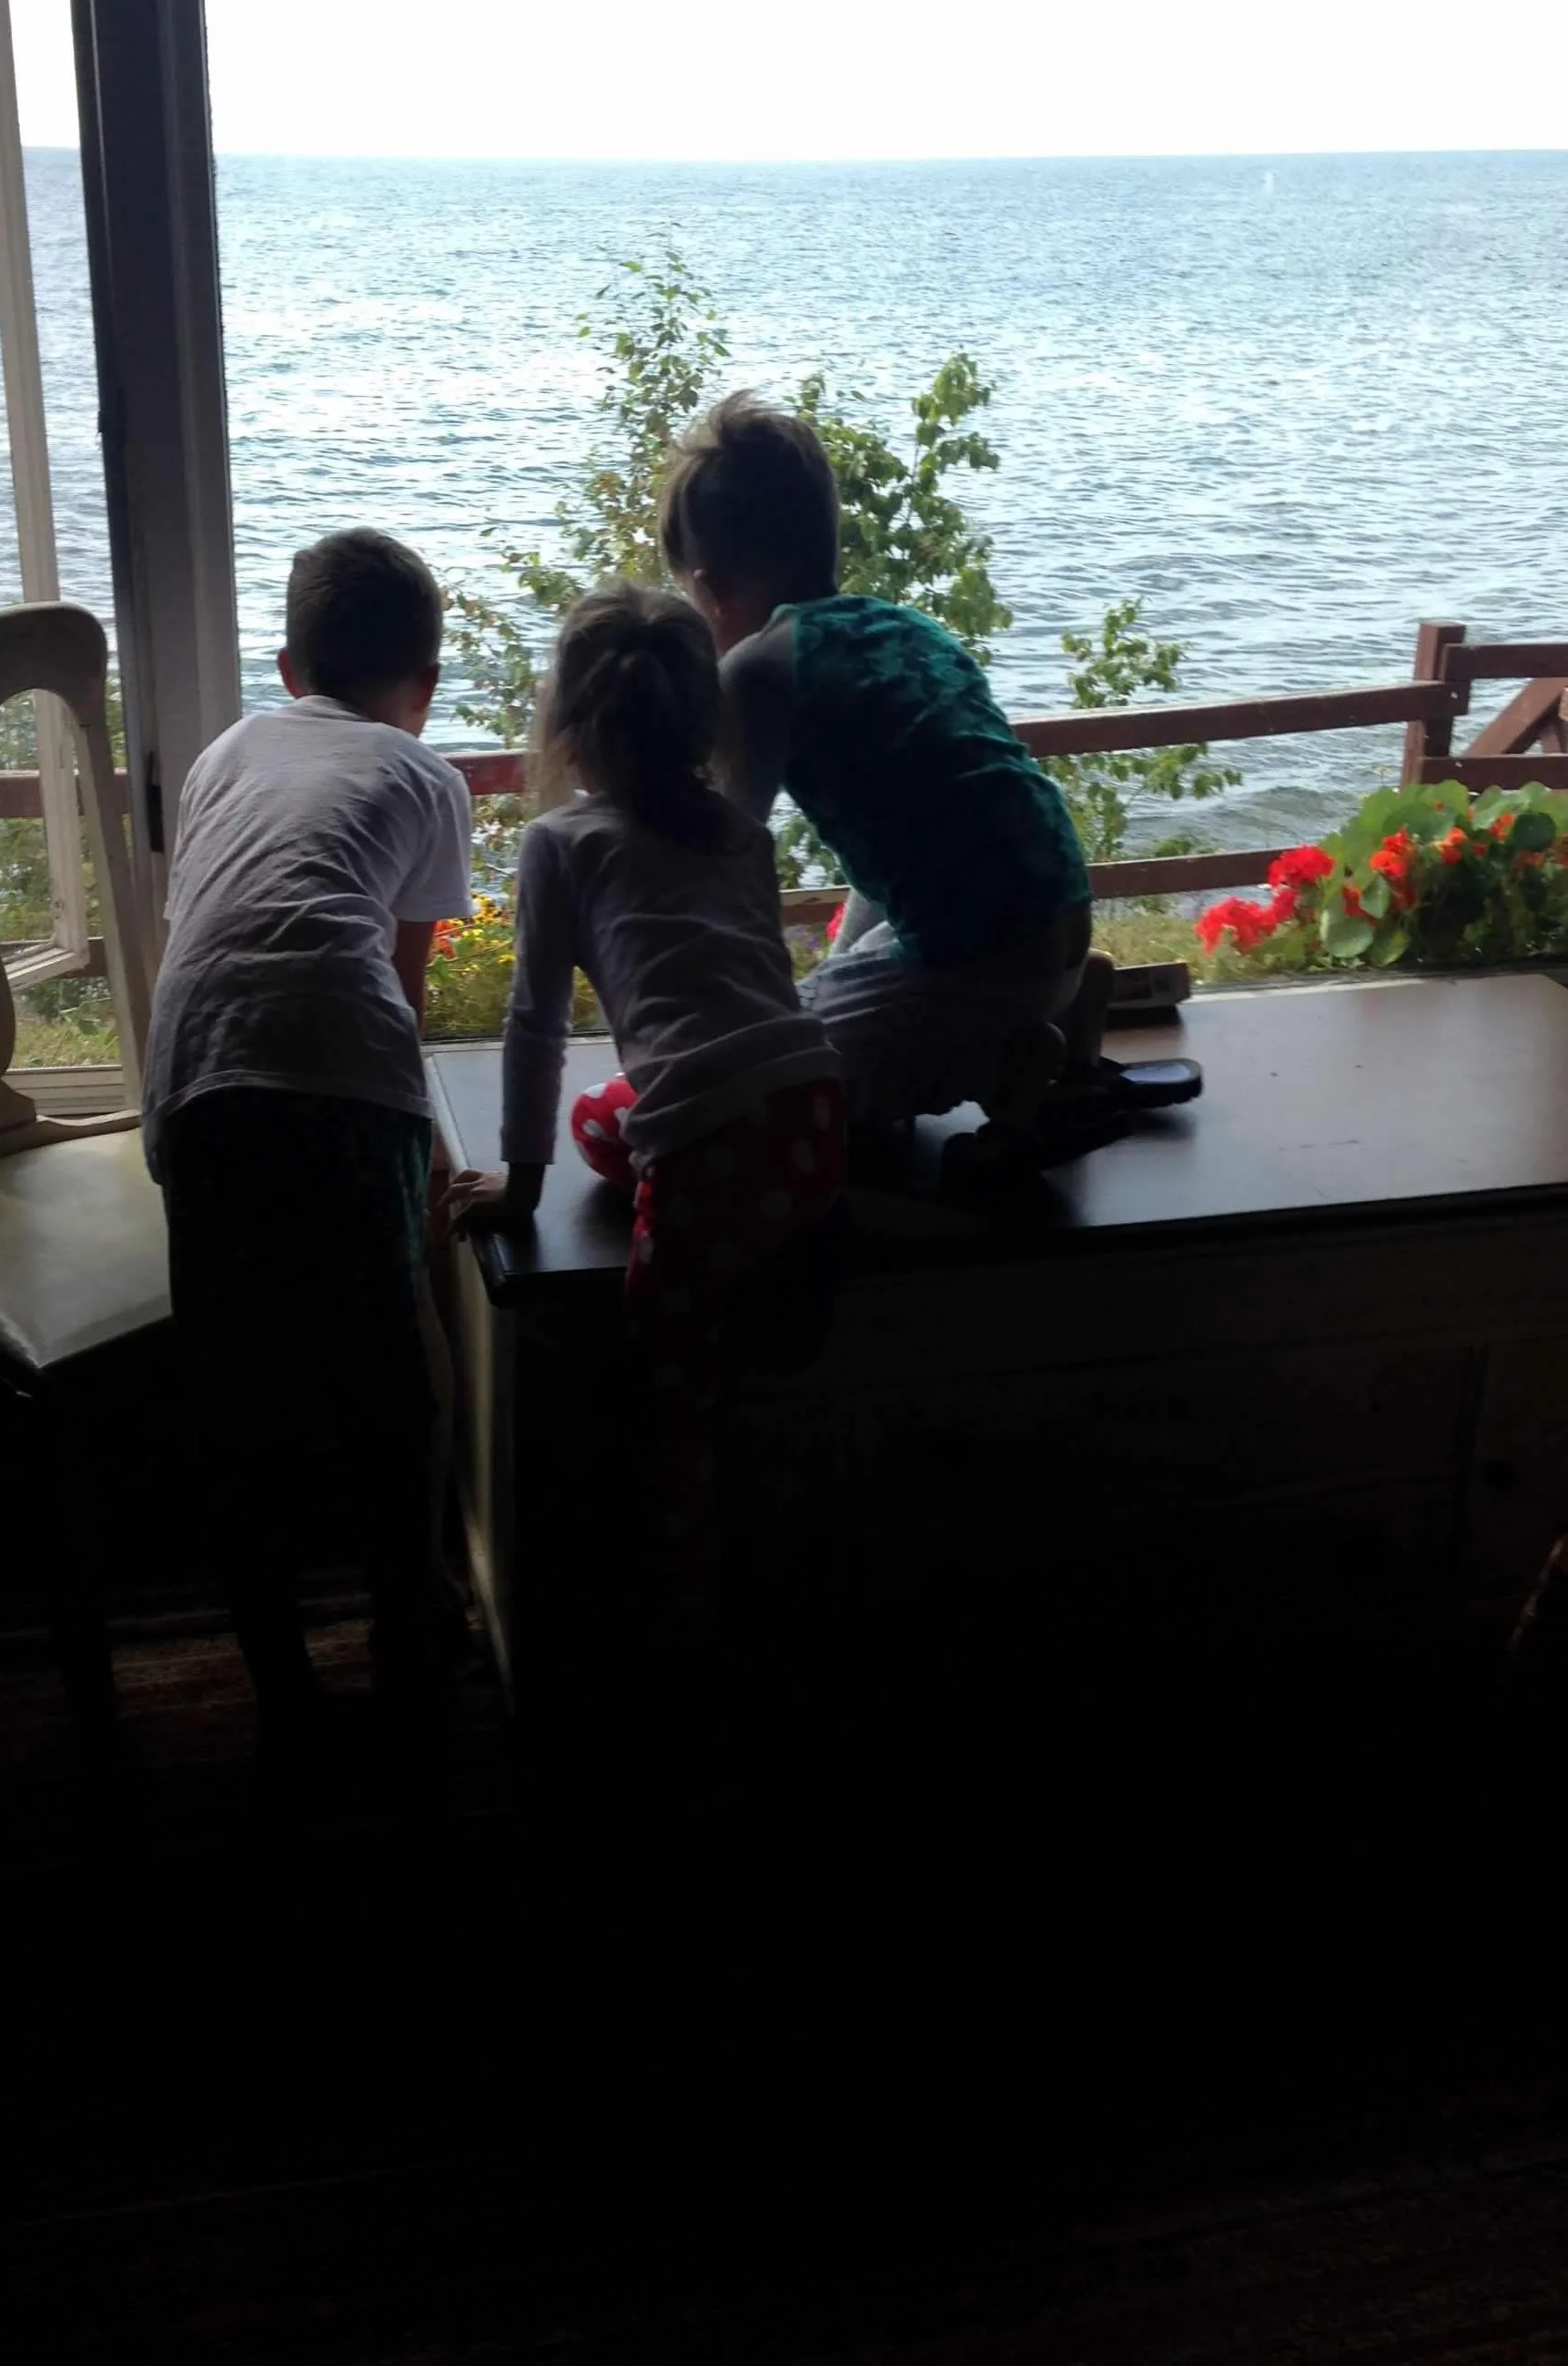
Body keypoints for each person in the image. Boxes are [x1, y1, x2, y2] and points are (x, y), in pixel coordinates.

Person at [453, 581, 845, 1642]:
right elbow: (762, 978)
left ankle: (684, 1628)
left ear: (572, 726)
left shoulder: (564, 844)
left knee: (667, 1404)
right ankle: (785, 1237)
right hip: (812, 1109)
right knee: (614, 1113)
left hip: (710, 1143)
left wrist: (519, 1184)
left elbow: (535, 1020)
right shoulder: (740, 833)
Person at [144, 527, 473, 1773]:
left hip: (199, 1083)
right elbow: (400, 986)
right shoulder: (423, 774)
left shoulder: (226, 753)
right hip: (338, 1082)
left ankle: (278, 1683)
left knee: (238, 1407)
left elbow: (206, 932)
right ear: (425, 687)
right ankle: (411, 1631)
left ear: (286, 667)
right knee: (396, 1381)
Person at [658, 391, 1116, 1163]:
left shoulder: (756, 668)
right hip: (1062, 912)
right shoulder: (909, 626)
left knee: (779, 1073)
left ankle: (1005, 1068)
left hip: (982, 958)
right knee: (883, 892)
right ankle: (1065, 1010)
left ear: (709, 589)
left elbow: (725, 854)